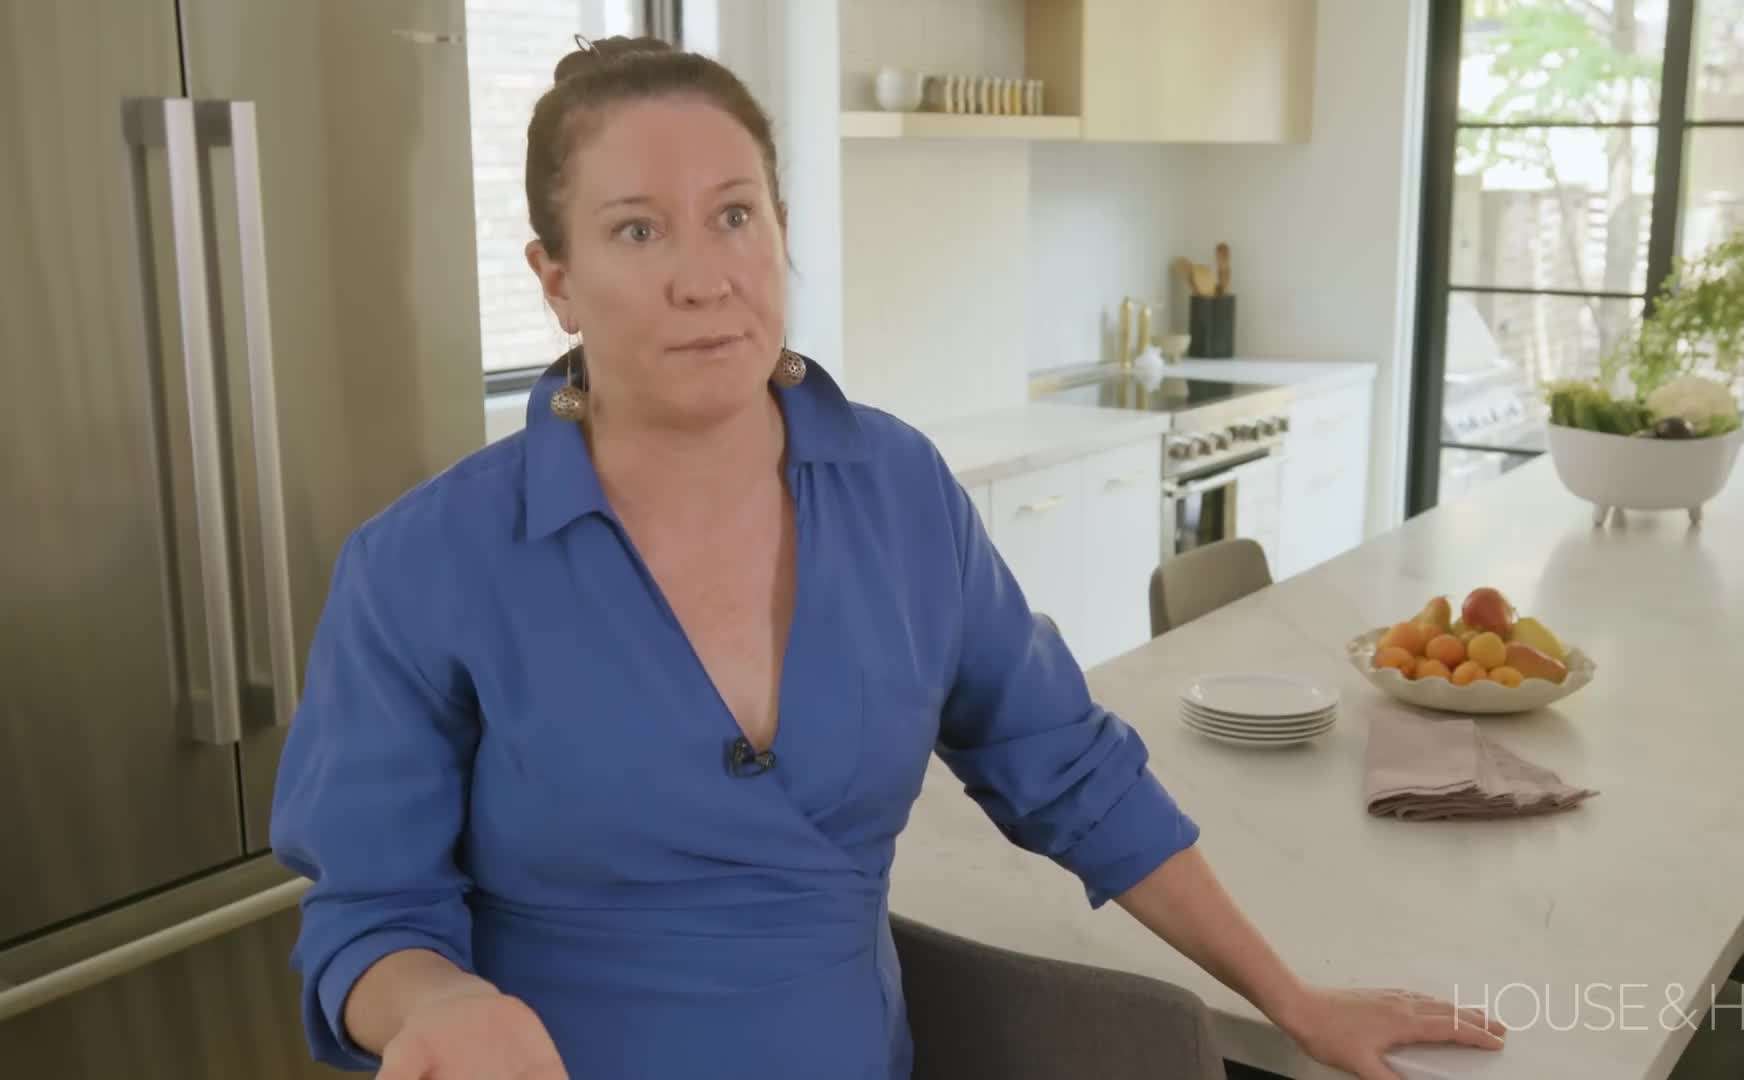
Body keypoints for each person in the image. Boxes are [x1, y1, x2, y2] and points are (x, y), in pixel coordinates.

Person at [269, 35, 1506, 1080]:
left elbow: (1072, 773)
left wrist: (1293, 999)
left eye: (734, 215)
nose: (704, 277)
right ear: (558, 280)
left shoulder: (901, 493)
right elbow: (369, 919)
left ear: (781, 233)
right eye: (637, 231)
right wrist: (434, 1004)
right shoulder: (422, 566)